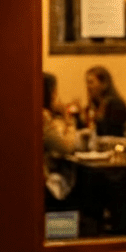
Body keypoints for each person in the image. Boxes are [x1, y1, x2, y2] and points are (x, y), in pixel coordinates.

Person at [43, 72, 79, 207]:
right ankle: (64, 228)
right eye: (54, 91)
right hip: (45, 182)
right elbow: (66, 147)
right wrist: (69, 120)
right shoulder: (43, 116)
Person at [82, 65, 126, 136]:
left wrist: (99, 118)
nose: (88, 87)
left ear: (104, 84)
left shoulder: (116, 105)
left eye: (91, 82)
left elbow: (109, 133)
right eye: (87, 83)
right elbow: (85, 129)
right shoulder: (94, 105)